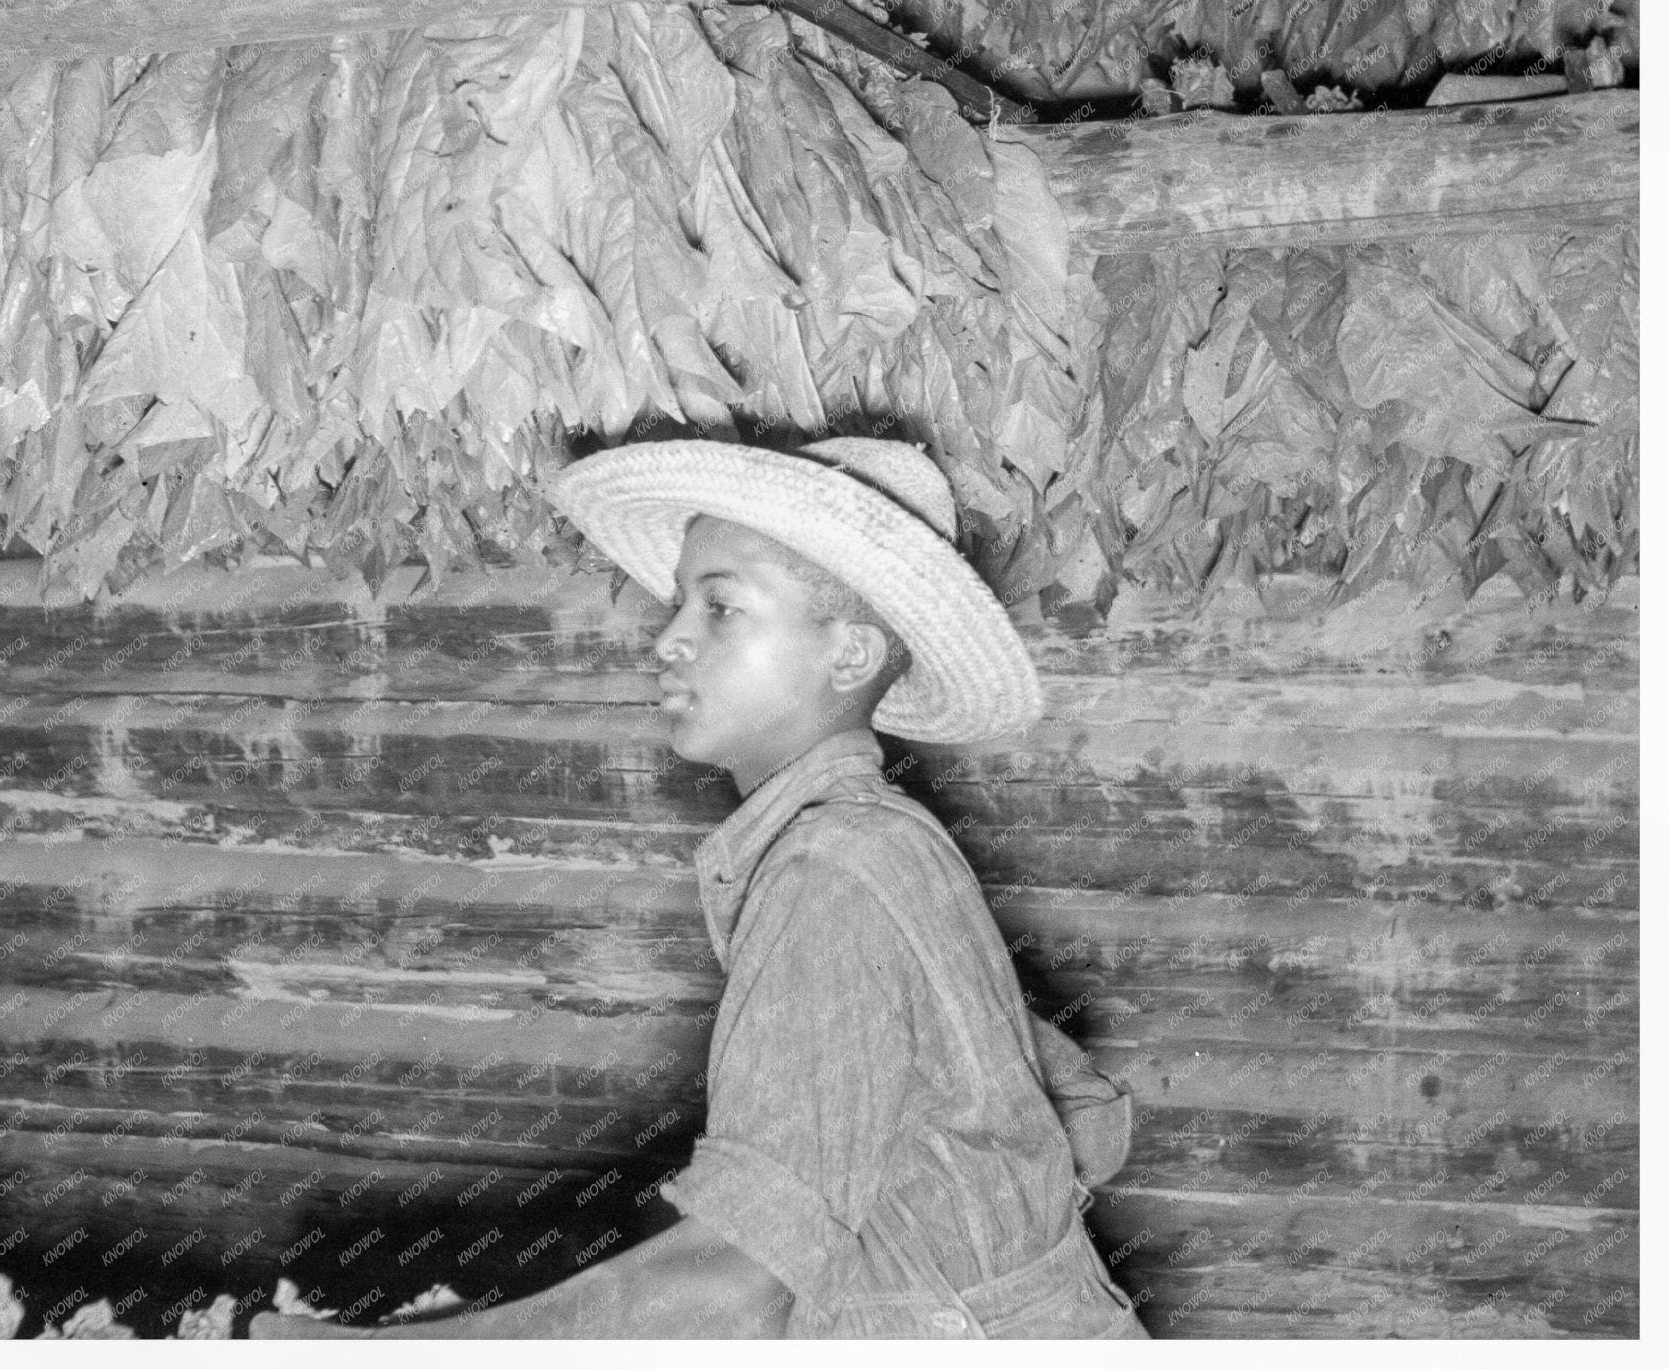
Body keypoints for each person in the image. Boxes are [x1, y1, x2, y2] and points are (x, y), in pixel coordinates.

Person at [251, 436, 1148, 1340]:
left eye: (722, 608)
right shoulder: (876, 844)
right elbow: (1070, 1120)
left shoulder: (831, 872)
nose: (670, 639)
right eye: (680, 602)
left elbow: (730, 1289)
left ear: (849, 657)